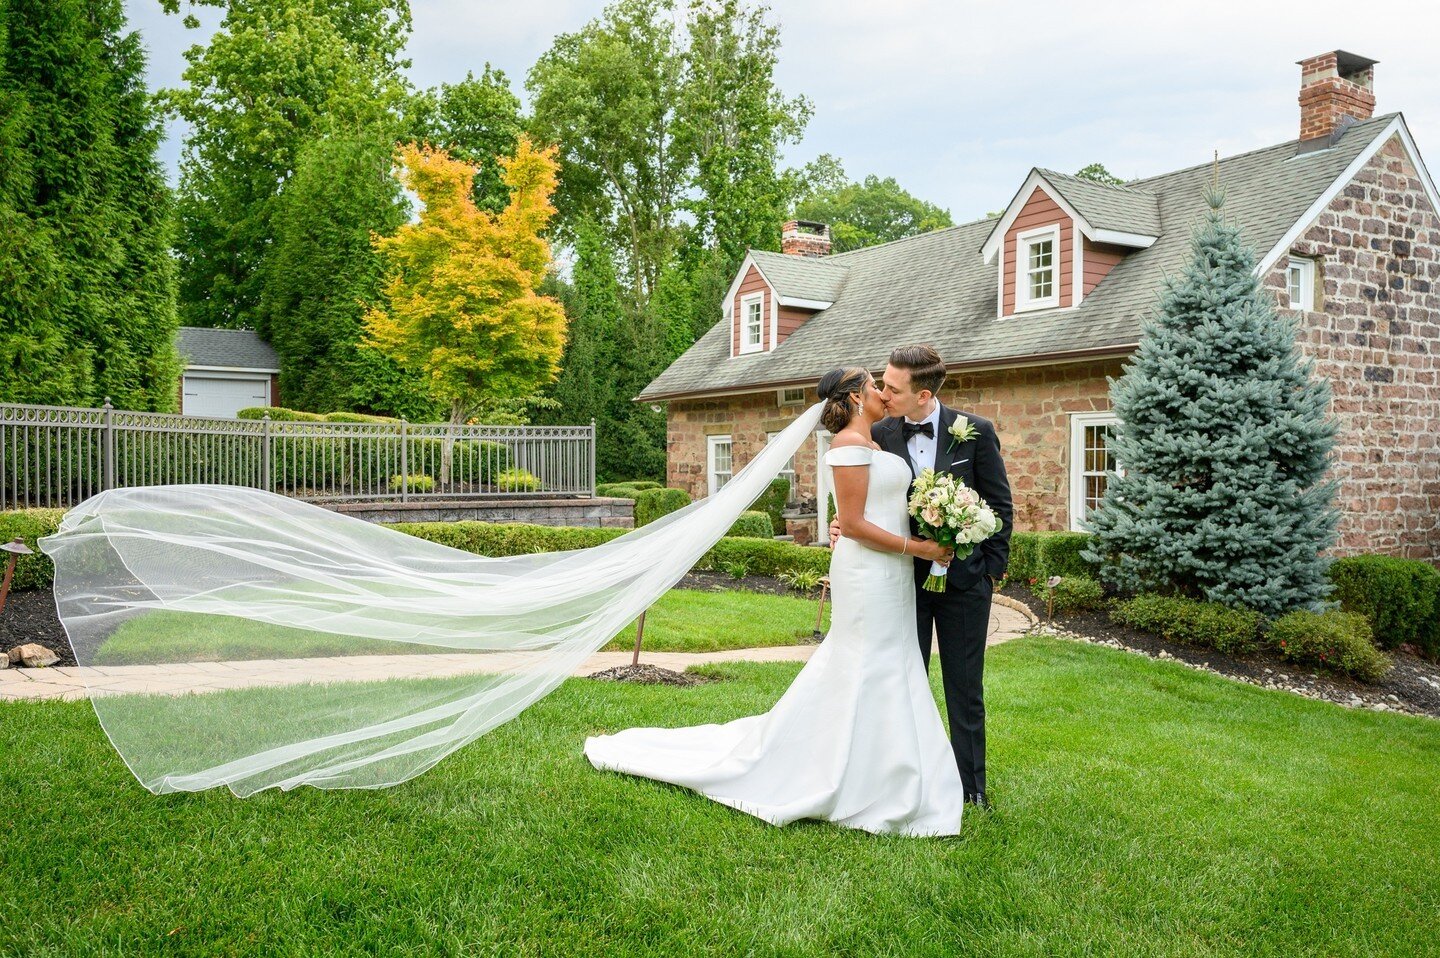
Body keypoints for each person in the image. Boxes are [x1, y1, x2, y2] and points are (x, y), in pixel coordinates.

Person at [584, 367, 967, 836]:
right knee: (866, 659)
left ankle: (891, 768)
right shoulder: (847, 445)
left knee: (893, 659)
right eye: (873, 386)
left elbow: (869, 513)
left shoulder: (874, 444)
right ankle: (854, 775)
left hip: (892, 573)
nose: (882, 394)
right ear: (853, 397)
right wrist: (921, 549)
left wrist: (936, 527)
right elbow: (854, 523)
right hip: (869, 573)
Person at [830, 345, 1012, 810]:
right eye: (882, 385)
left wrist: (988, 571)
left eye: (893, 387)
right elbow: (864, 500)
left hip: (964, 586)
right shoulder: (878, 431)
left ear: (923, 393)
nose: (884, 393)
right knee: (902, 682)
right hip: (899, 582)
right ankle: (903, 780)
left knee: (964, 688)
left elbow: (999, 506)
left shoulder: (975, 432)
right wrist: (840, 522)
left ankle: (971, 789)